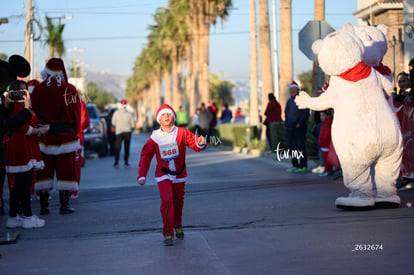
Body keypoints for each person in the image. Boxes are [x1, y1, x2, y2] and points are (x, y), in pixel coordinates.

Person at [137, 104, 207, 246]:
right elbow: (145, 156)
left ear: (174, 117)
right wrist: (142, 175)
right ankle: (168, 231)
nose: (166, 116)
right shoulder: (154, 137)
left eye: (169, 114)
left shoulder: (181, 132)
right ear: (159, 119)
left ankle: (177, 223)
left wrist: (200, 142)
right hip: (163, 175)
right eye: (163, 115)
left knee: (178, 202)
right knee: (167, 201)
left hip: (180, 174)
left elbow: (194, 143)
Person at [31, 58, 81, 215]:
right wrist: (75, 130)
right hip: (65, 137)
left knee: (43, 172)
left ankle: (44, 206)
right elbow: (76, 114)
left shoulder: (38, 90)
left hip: (44, 136)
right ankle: (64, 205)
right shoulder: (70, 89)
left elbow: (34, 114)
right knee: (66, 170)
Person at [4, 80, 49, 229]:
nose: (24, 94)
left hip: (25, 145)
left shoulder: (21, 107)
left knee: (20, 184)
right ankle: (27, 216)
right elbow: (22, 127)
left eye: (25, 91)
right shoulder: (16, 107)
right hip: (21, 146)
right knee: (23, 183)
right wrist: (38, 131)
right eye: (21, 92)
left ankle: (15, 215)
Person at [284, 81, 310, 172]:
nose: (292, 91)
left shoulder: (301, 100)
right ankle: (295, 165)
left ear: (298, 90)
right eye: (291, 90)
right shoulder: (289, 101)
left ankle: (303, 165)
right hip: (290, 128)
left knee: (300, 146)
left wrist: (300, 123)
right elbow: (286, 113)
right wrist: (286, 123)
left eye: (294, 89)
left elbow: (306, 113)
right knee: (293, 148)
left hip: (299, 128)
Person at [71, 99, 90, 199]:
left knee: (75, 163)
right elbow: (85, 120)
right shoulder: (79, 103)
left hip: (74, 136)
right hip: (72, 135)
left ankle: (73, 190)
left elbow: (84, 120)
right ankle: (71, 190)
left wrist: (77, 129)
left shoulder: (79, 103)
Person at [112, 99, 135, 167]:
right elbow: (133, 124)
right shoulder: (129, 113)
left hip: (118, 132)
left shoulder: (116, 113)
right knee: (126, 147)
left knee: (118, 147)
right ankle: (126, 161)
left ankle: (116, 161)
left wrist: (118, 126)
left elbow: (113, 122)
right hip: (127, 132)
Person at [312, 85, 327, 174]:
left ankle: (325, 165)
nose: (319, 95)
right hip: (318, 125)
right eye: (317, 93)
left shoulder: (326, 102)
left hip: (324, 125)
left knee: (324, 146)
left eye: (320, 93)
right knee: (319, 144)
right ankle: (322, 164)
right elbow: (316, 116)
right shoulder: (317, 102)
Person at [318, 110, 333, 177]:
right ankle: (328, 170)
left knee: (326, 159)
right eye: (320, 116)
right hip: (324, 144)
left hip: (326, 144)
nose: (321, 117)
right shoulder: (325, 123)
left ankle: (328, 170)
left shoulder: (328, 123)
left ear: (327, 116)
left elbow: (327, 135)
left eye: (323, 115)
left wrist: (322, 141)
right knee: (326, 158)